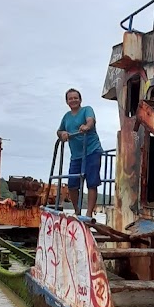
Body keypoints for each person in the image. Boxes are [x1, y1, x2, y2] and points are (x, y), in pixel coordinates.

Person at [57, 88, 103, 218]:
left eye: (75, 98)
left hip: (92, 150)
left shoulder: (86, 109)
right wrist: (63, 134)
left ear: (80, 99)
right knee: (72, 184)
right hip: (76, 155)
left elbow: (90, 121)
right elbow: (59, 131)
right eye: (70, 98)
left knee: (92, 182)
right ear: (67, 101)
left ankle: (88, 214)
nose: (73, 100)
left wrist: (87, 126)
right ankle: (77, 210)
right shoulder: (66, 117)